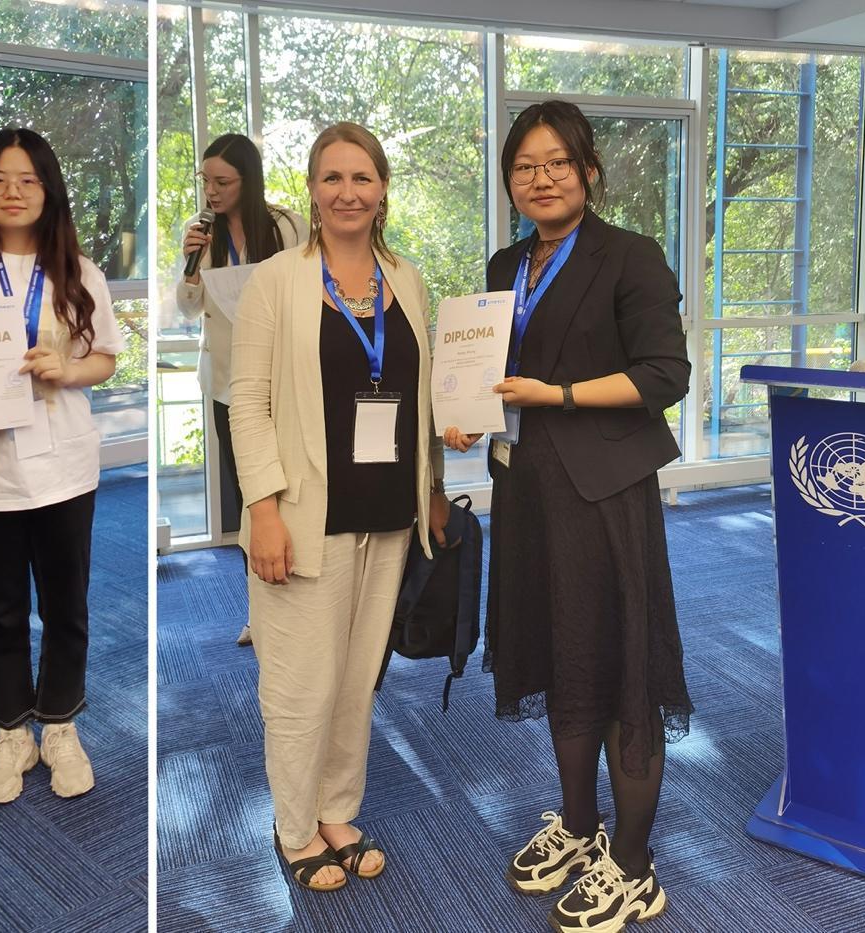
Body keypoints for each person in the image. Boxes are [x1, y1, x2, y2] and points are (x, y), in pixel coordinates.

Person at [443, 100, 693, 931]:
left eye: (556, 162)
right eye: (524, 166)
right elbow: (492, 370)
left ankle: (634, 864)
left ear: (587, 170)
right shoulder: (505, 262)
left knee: (618, 663)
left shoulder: (629, 255)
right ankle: (580, 827)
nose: (540, 178)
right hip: (526, 490)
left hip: (602, 494)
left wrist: (557, 395)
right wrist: (465, 412)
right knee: (559, 652)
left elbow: (664, 374)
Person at [230, 122, 449, 891]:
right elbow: (247, 402)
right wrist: (262, 509)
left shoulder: (407, 279)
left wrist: (433, 485)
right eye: (332, 178)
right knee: (301, 685)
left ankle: (335, 809)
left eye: (362, 178)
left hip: (388, 512)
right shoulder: (275, 280)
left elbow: (422, 397)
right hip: (302, 515)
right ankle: (294, 828)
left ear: (382, 189)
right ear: (311, 190)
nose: (347, 192)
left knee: (355, 681)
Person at [0, 128, 124, 805]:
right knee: (0, 608)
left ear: (48, 190)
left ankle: (60, 723)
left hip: (64, 463)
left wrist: (66, 369)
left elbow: (105, 358)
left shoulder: (78, 270)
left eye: (28, 179)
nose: (13, 191)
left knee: (66, 605)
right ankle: (11, 731)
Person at [176, 133, 306, 647]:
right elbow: (188, 308)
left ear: (247, 181)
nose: (211, 191)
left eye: (222, 182)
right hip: (227, 384)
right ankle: (258, 608)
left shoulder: (286, 225)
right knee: (250, 496)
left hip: (284, 380)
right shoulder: (200, 233)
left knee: (289, 492)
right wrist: (190, 265)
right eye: (205, 181)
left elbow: (308, 289)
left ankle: (298, 597)